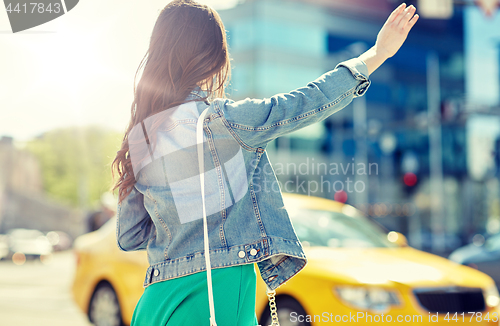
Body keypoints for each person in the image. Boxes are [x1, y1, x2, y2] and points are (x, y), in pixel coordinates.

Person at [110, 1, 418, 325]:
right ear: (213, 55)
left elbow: (129, 236)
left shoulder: (142, 136)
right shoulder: (226, 121)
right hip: (215, 294)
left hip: (156, 302)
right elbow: (309, 100)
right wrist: (378, 53)